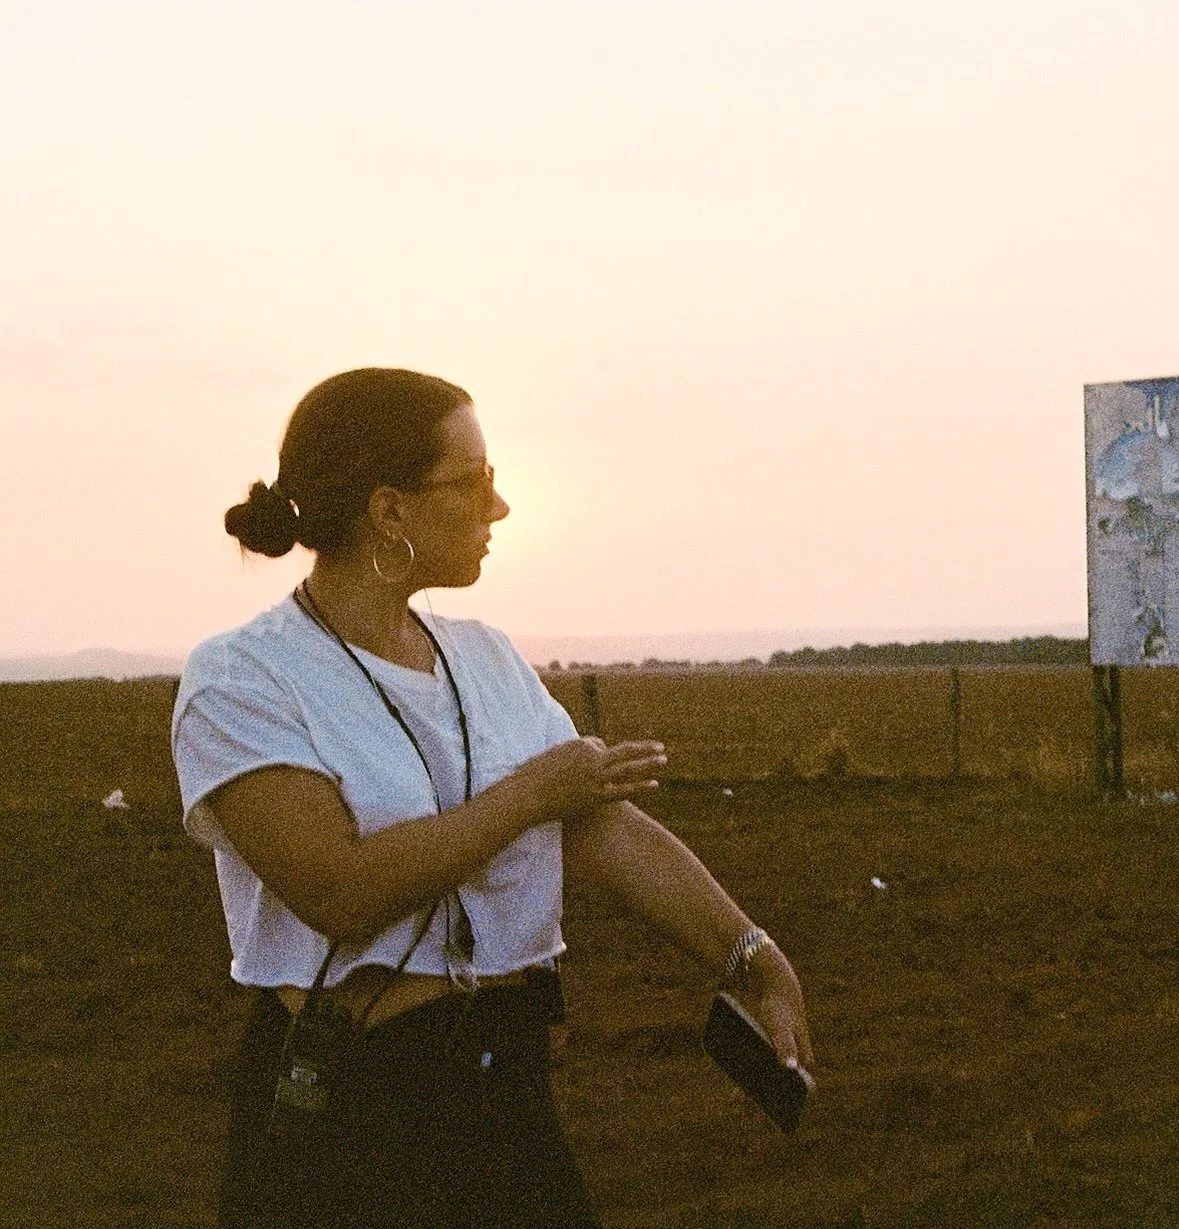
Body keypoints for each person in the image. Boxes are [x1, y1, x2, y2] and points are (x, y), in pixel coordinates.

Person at [171, 368, 813, 1228]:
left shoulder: (487, 659)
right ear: (388, 510)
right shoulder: (245, 676)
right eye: (475, 480)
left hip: (505, 1093)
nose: (500, 507)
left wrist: (754, 959)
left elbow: (606, 827)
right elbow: (337, 890)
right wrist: (532, 793)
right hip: (353, 1119)